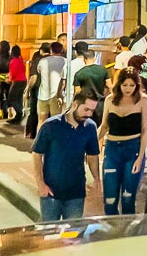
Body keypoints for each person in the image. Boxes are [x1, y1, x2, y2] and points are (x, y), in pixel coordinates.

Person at [32, 90, 101, 221]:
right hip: (51, 191)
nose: (89, 114)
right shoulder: (51, 125)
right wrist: (40, 183)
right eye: (86, 109)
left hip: (76, 192)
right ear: (74, 105)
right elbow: (36, 154)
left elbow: (93, 155)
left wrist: (97, 179)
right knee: (50, 230)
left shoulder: (90, 127)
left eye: (92, 111)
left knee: (73, 231)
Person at [97, 67, 147, 216]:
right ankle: (112, 227)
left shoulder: (143, 100)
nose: (128, 89)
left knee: (128, 198)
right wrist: (91, 142)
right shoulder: (110, 99)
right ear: (119, 84)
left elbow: (145, 130)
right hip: (112, 149)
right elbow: (104, 125)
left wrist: (140, 157)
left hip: (133, 150)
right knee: (109, 199)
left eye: (132, 85)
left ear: (137, 85)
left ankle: (128, 228)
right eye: (125, 85)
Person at [33, 42, 66, 127]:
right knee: (56, 121)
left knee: (41, 120)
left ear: (51, 50)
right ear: (61, 50)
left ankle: (40, 135)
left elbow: (39, 71)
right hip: (56, 95)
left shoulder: (43, 61)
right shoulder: (65, 61)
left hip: (43, 94)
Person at [73, 48, 109, 125]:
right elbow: (110, 86)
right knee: (99, 125)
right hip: (100, 103)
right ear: (94, 58)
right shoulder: (103, 70)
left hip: (86, 104)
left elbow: (77, 92)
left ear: (84, 59)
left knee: (86, 125)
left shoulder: (79, 73)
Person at [26, 43, 49, 138]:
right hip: (50, 90)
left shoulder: (37, 60)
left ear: (41, 50)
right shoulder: (55, 60)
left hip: (37, 88)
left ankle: (33, 133)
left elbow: (34, 77)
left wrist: (27, 89)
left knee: (35, 112)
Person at [6, 46, 27, 124]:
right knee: (19, 98)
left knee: (12, 99)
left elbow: (13, 73)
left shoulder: (13, 61)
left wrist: (9, 79)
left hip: (17, 81)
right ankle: (18, 116)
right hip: (23, 80)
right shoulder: (21, 60)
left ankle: (20, 113)